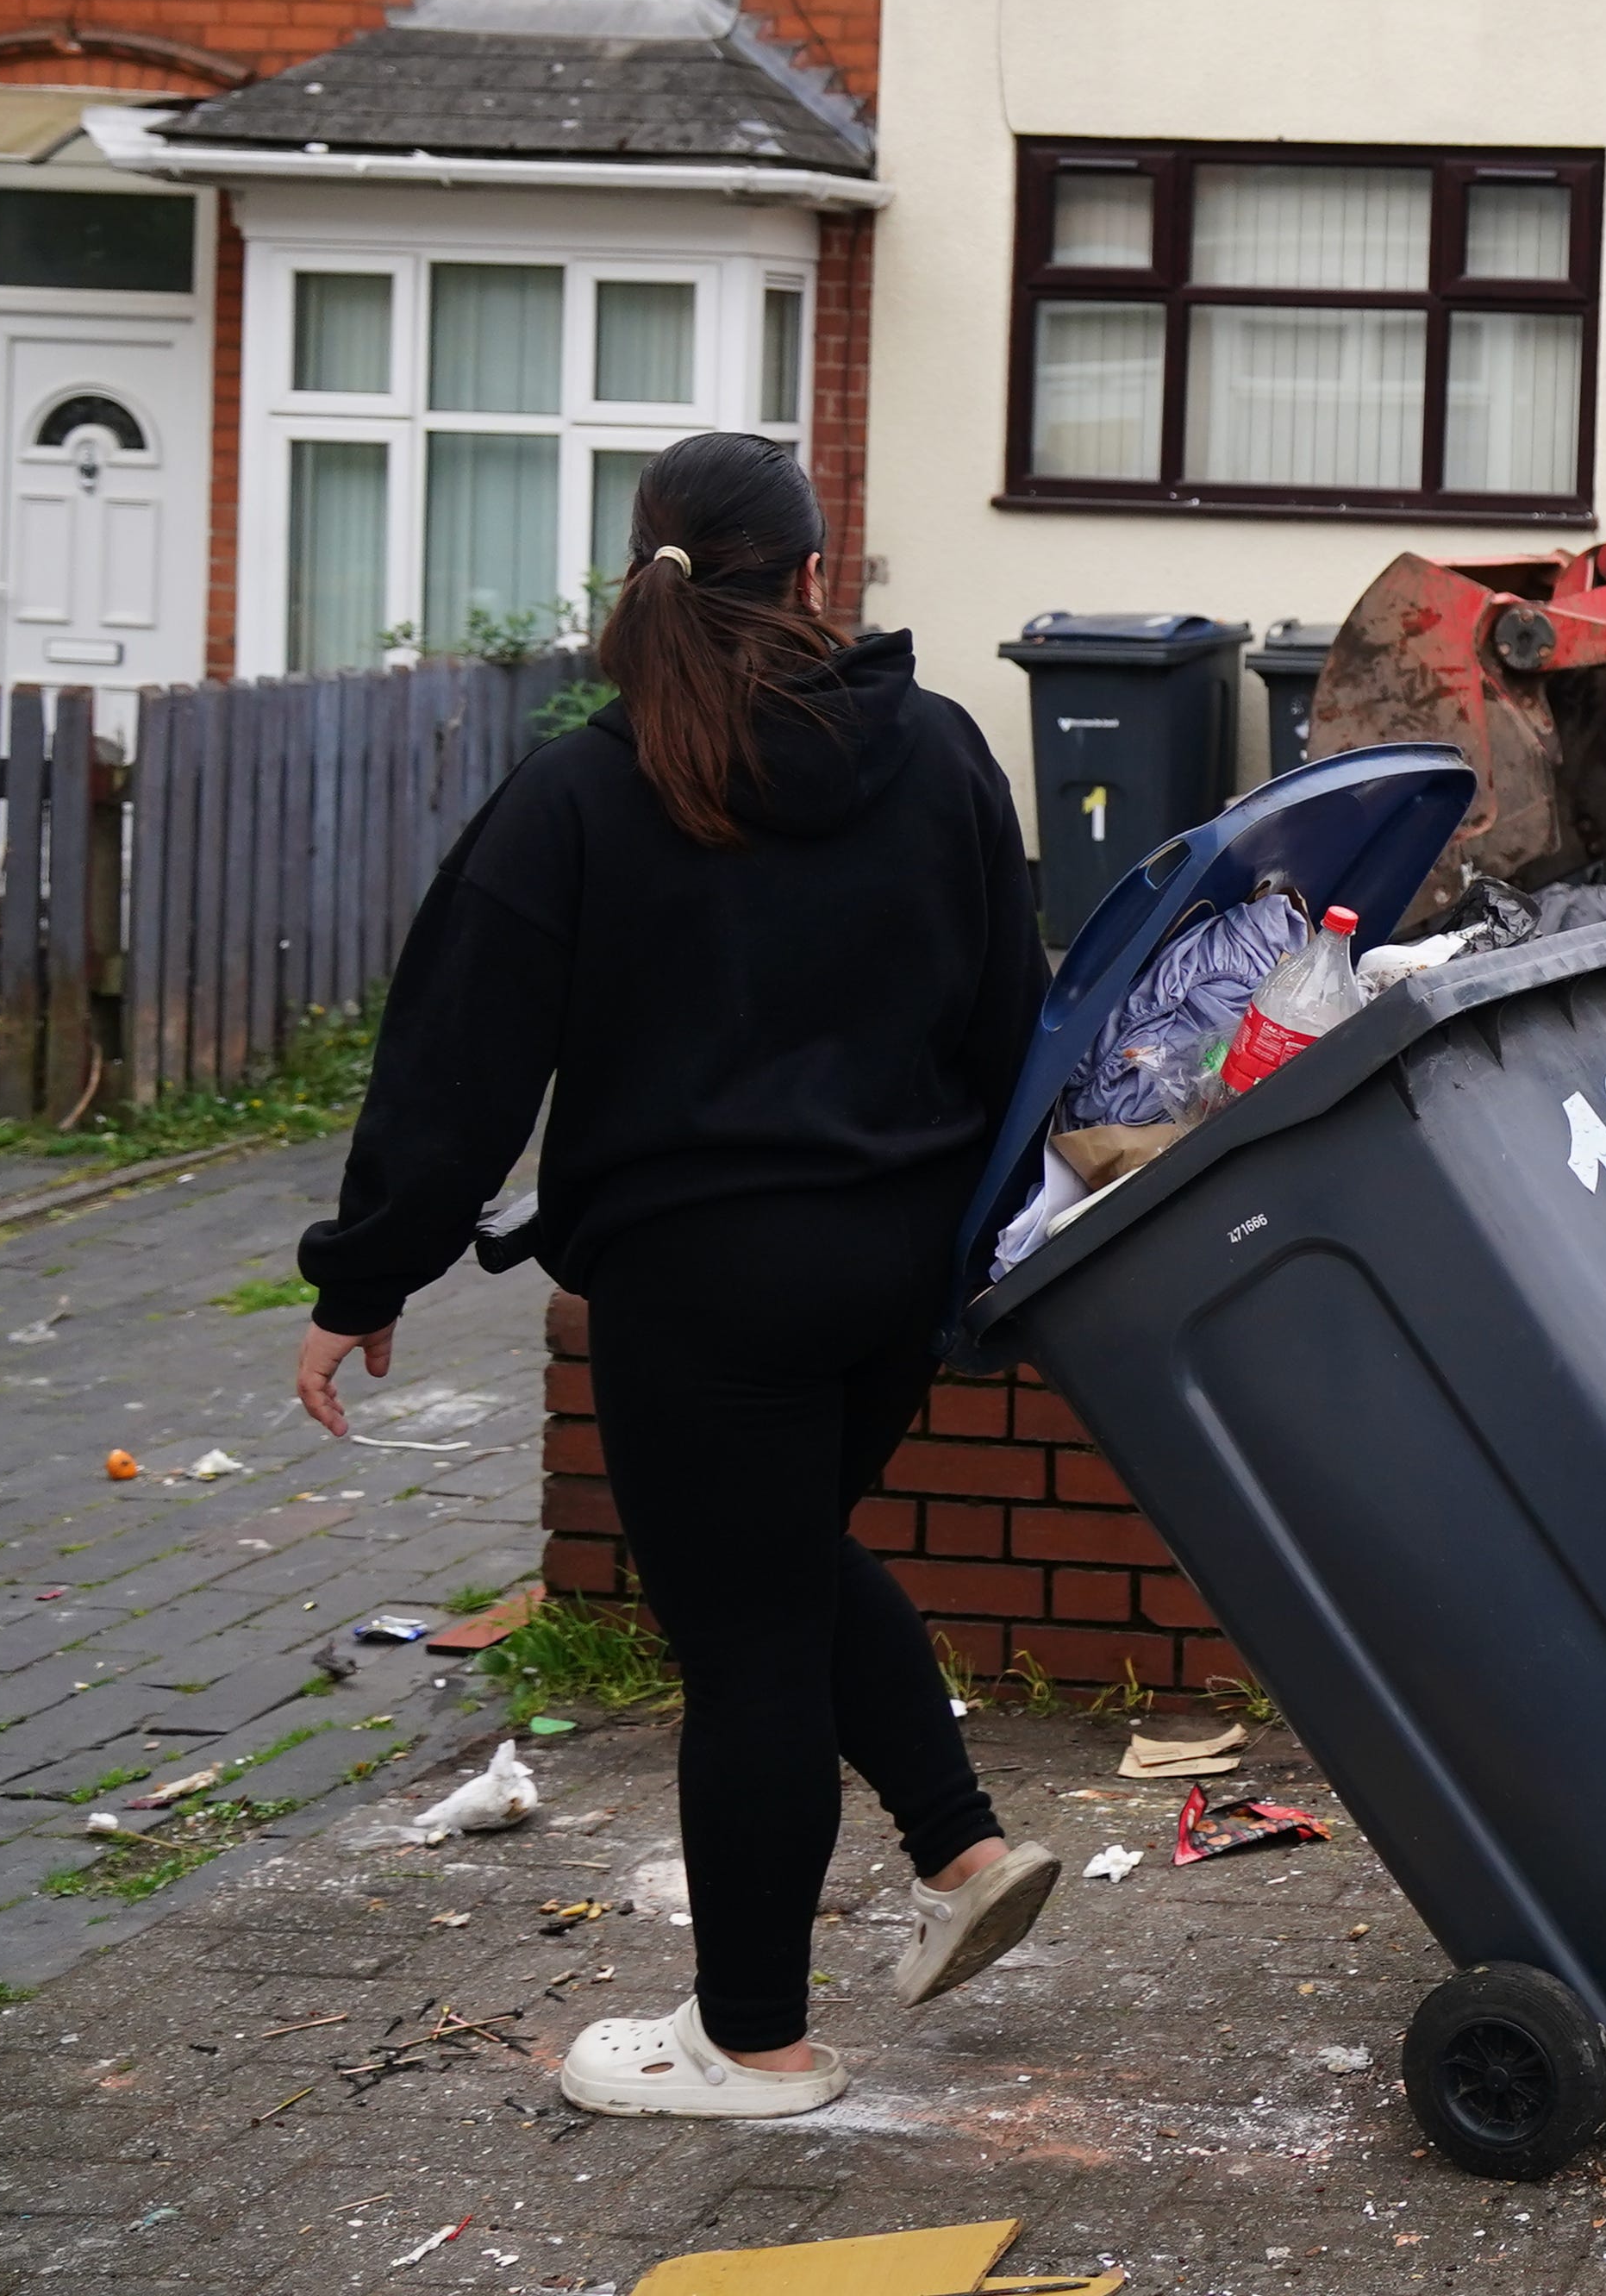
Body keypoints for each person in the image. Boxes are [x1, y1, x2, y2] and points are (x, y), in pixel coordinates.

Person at [296, 432, 1060, 2121]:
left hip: (698, 1293)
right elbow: (1018, 1026)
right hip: (888, 1273)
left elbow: (459, 1054)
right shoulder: (938, 754)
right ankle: (962, 1846)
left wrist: (368, 1271)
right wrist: (988, 1243)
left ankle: (756, 2041)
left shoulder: (591, 785)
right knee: (783, 1562)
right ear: (809, 576)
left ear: (649, 573)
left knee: (751, 1636)